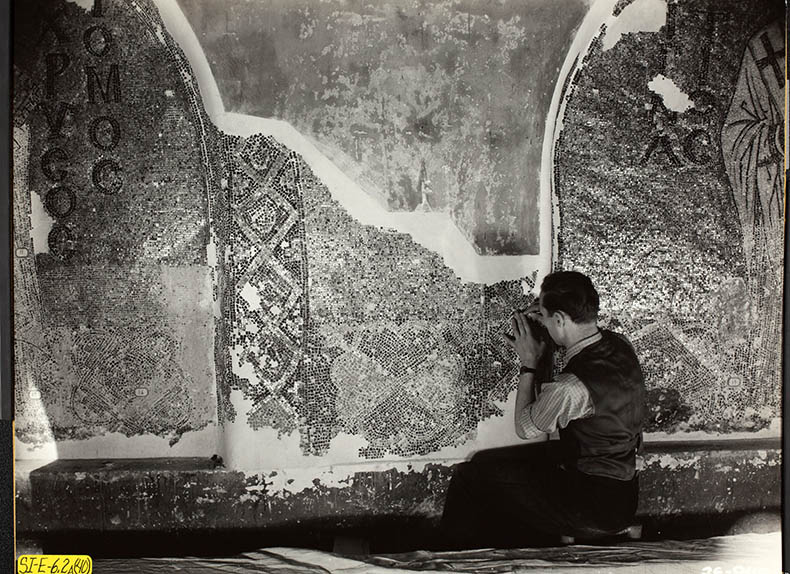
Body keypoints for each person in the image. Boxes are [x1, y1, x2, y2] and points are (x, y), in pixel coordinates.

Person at [439, 271, 645, 549]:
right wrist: (548, 340)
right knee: (490, 463)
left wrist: (529, 364)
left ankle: (447, 559)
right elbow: (552, 406)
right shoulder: (620, 344)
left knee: (470, 477)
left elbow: (525, 427)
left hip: (592, 506)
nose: (542, 321)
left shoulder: (571, 387)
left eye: (545, 316)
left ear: (560, 319)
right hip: (623, 491)